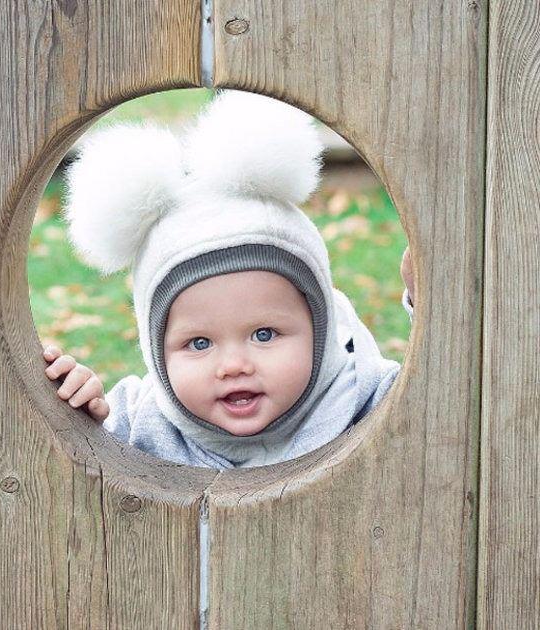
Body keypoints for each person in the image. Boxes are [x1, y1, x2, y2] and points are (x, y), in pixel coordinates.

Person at [43, 90, 415, 469]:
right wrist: (78, 418)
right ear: (155, 351)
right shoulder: (136, 424)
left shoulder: (360, 397)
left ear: (320, 326)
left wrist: (429, 305)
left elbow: (434, 405)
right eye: (199, 343)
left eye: (264, 334)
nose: (234, 365)